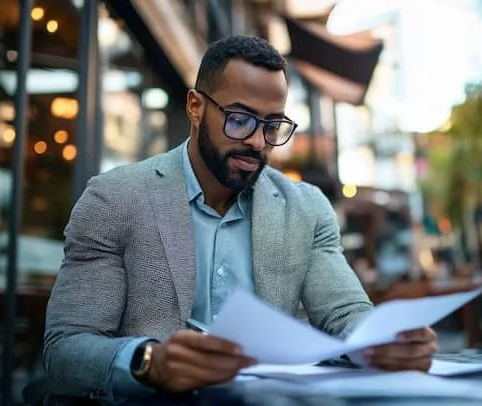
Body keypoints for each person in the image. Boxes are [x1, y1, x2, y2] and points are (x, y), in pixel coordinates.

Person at [43, 35, 437, 402]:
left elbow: (345, 313)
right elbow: (66, 347)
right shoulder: (115, 198)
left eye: (272, 125)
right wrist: (149, 362)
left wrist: (384, 342)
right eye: (240, 118)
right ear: (195, 106)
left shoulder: (305, 208)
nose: (257, 140)